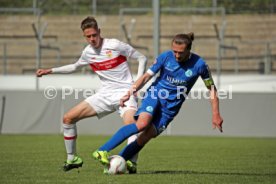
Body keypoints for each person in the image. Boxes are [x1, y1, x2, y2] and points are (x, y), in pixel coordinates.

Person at [92, 33, 223, 172]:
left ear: (189, 50)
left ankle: (123, 160)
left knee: (146, 137)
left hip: (171, 108)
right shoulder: (165, 57)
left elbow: (212, 90)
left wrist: (216, 114)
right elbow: (146, 77)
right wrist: (129, 93)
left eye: (181, 52)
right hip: (155, 95)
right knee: (142, 124)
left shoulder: (200, 65)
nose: (177, 55)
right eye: (175, 51)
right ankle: (102, 150)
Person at [36, 16, 147, 173]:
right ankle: (72, 159)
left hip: (126, 93)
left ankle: (131, 162)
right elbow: (74, 67)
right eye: (88, 36)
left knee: (132, 126)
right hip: (105, 94)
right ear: (84, 36)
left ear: (99, 32)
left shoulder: (114, 45)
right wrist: (50, 71)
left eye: (94, 35)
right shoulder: (88, 53)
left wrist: (135, 87)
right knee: (68, 118)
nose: (92, 39)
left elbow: (142, 58)